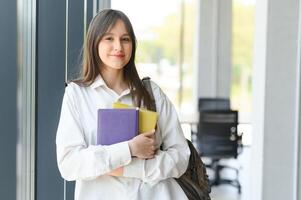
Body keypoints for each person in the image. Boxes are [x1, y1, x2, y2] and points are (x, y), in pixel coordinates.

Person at [56, 9, 190, 200]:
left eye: (125, 39)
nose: (118, 46)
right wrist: (129, 149)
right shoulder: (76, 94)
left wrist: (129, 168)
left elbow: (181, 157)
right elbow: (69, 164)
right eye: (109, 38)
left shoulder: (151, 92)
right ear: (94, 43)